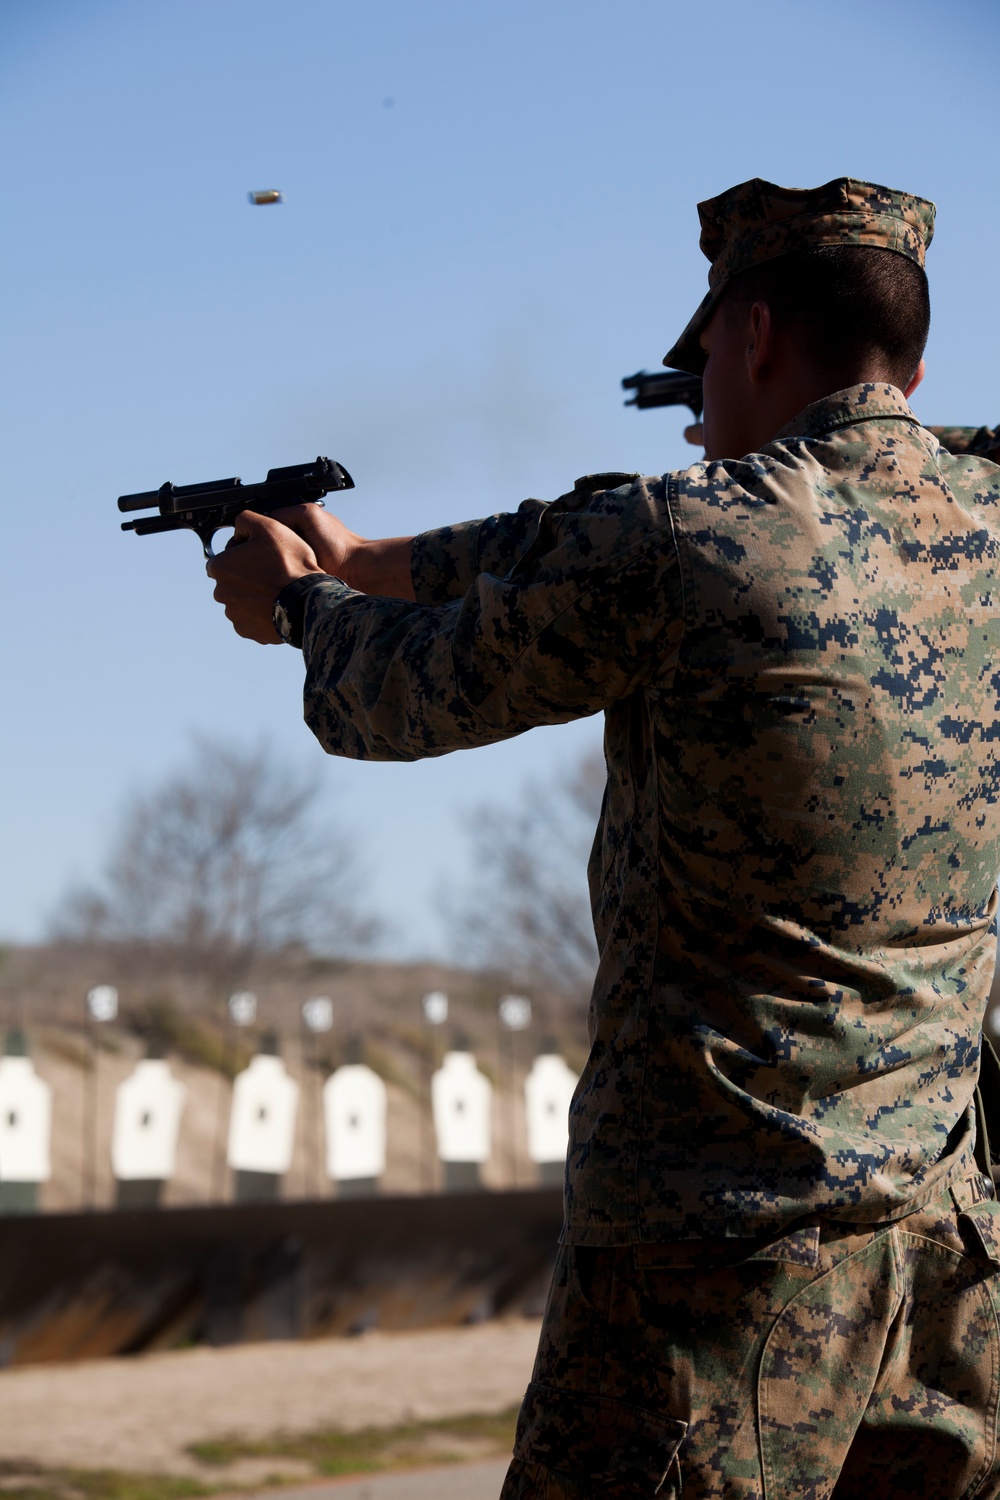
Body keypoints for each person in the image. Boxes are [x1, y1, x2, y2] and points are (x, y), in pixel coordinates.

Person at [209, 177, 1000, 1498]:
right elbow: (567, 541)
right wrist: (362, 553)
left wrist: (299, 609)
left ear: (751, 337)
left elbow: (403, 695)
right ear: (914, 359)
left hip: (720, 1259)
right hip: (951, 1260)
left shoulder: (699, 539)